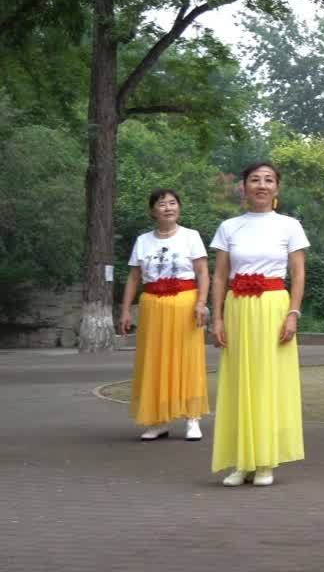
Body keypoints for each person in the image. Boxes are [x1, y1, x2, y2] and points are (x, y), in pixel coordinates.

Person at [209, 162, 308, 487]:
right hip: (238, 308)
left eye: (268, 180)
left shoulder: (289, 225)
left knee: (267, 382)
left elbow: (297, 274)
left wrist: (293, 313)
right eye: (255, 180)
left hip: (273, 308)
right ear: (244, 187)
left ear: (276, 188)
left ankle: (265, 461)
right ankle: (241, 461)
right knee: (239, 382)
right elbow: (220, 275)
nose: (261, 186)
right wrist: (218, 317)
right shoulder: (229, 227)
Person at [118, 189, 210, 441]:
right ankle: (158, 420)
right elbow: (134, 277)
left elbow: (202, 272)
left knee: (187, 358)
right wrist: (125, 310)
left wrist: (201, 302)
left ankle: (193, 418)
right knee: (155, 360)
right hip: (152, 306)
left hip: (184, 304)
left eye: (172, 203)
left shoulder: (191, 236)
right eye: (162, 204)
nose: (168, 207)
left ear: (179, 208)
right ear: (152, 211)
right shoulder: (143, 241)